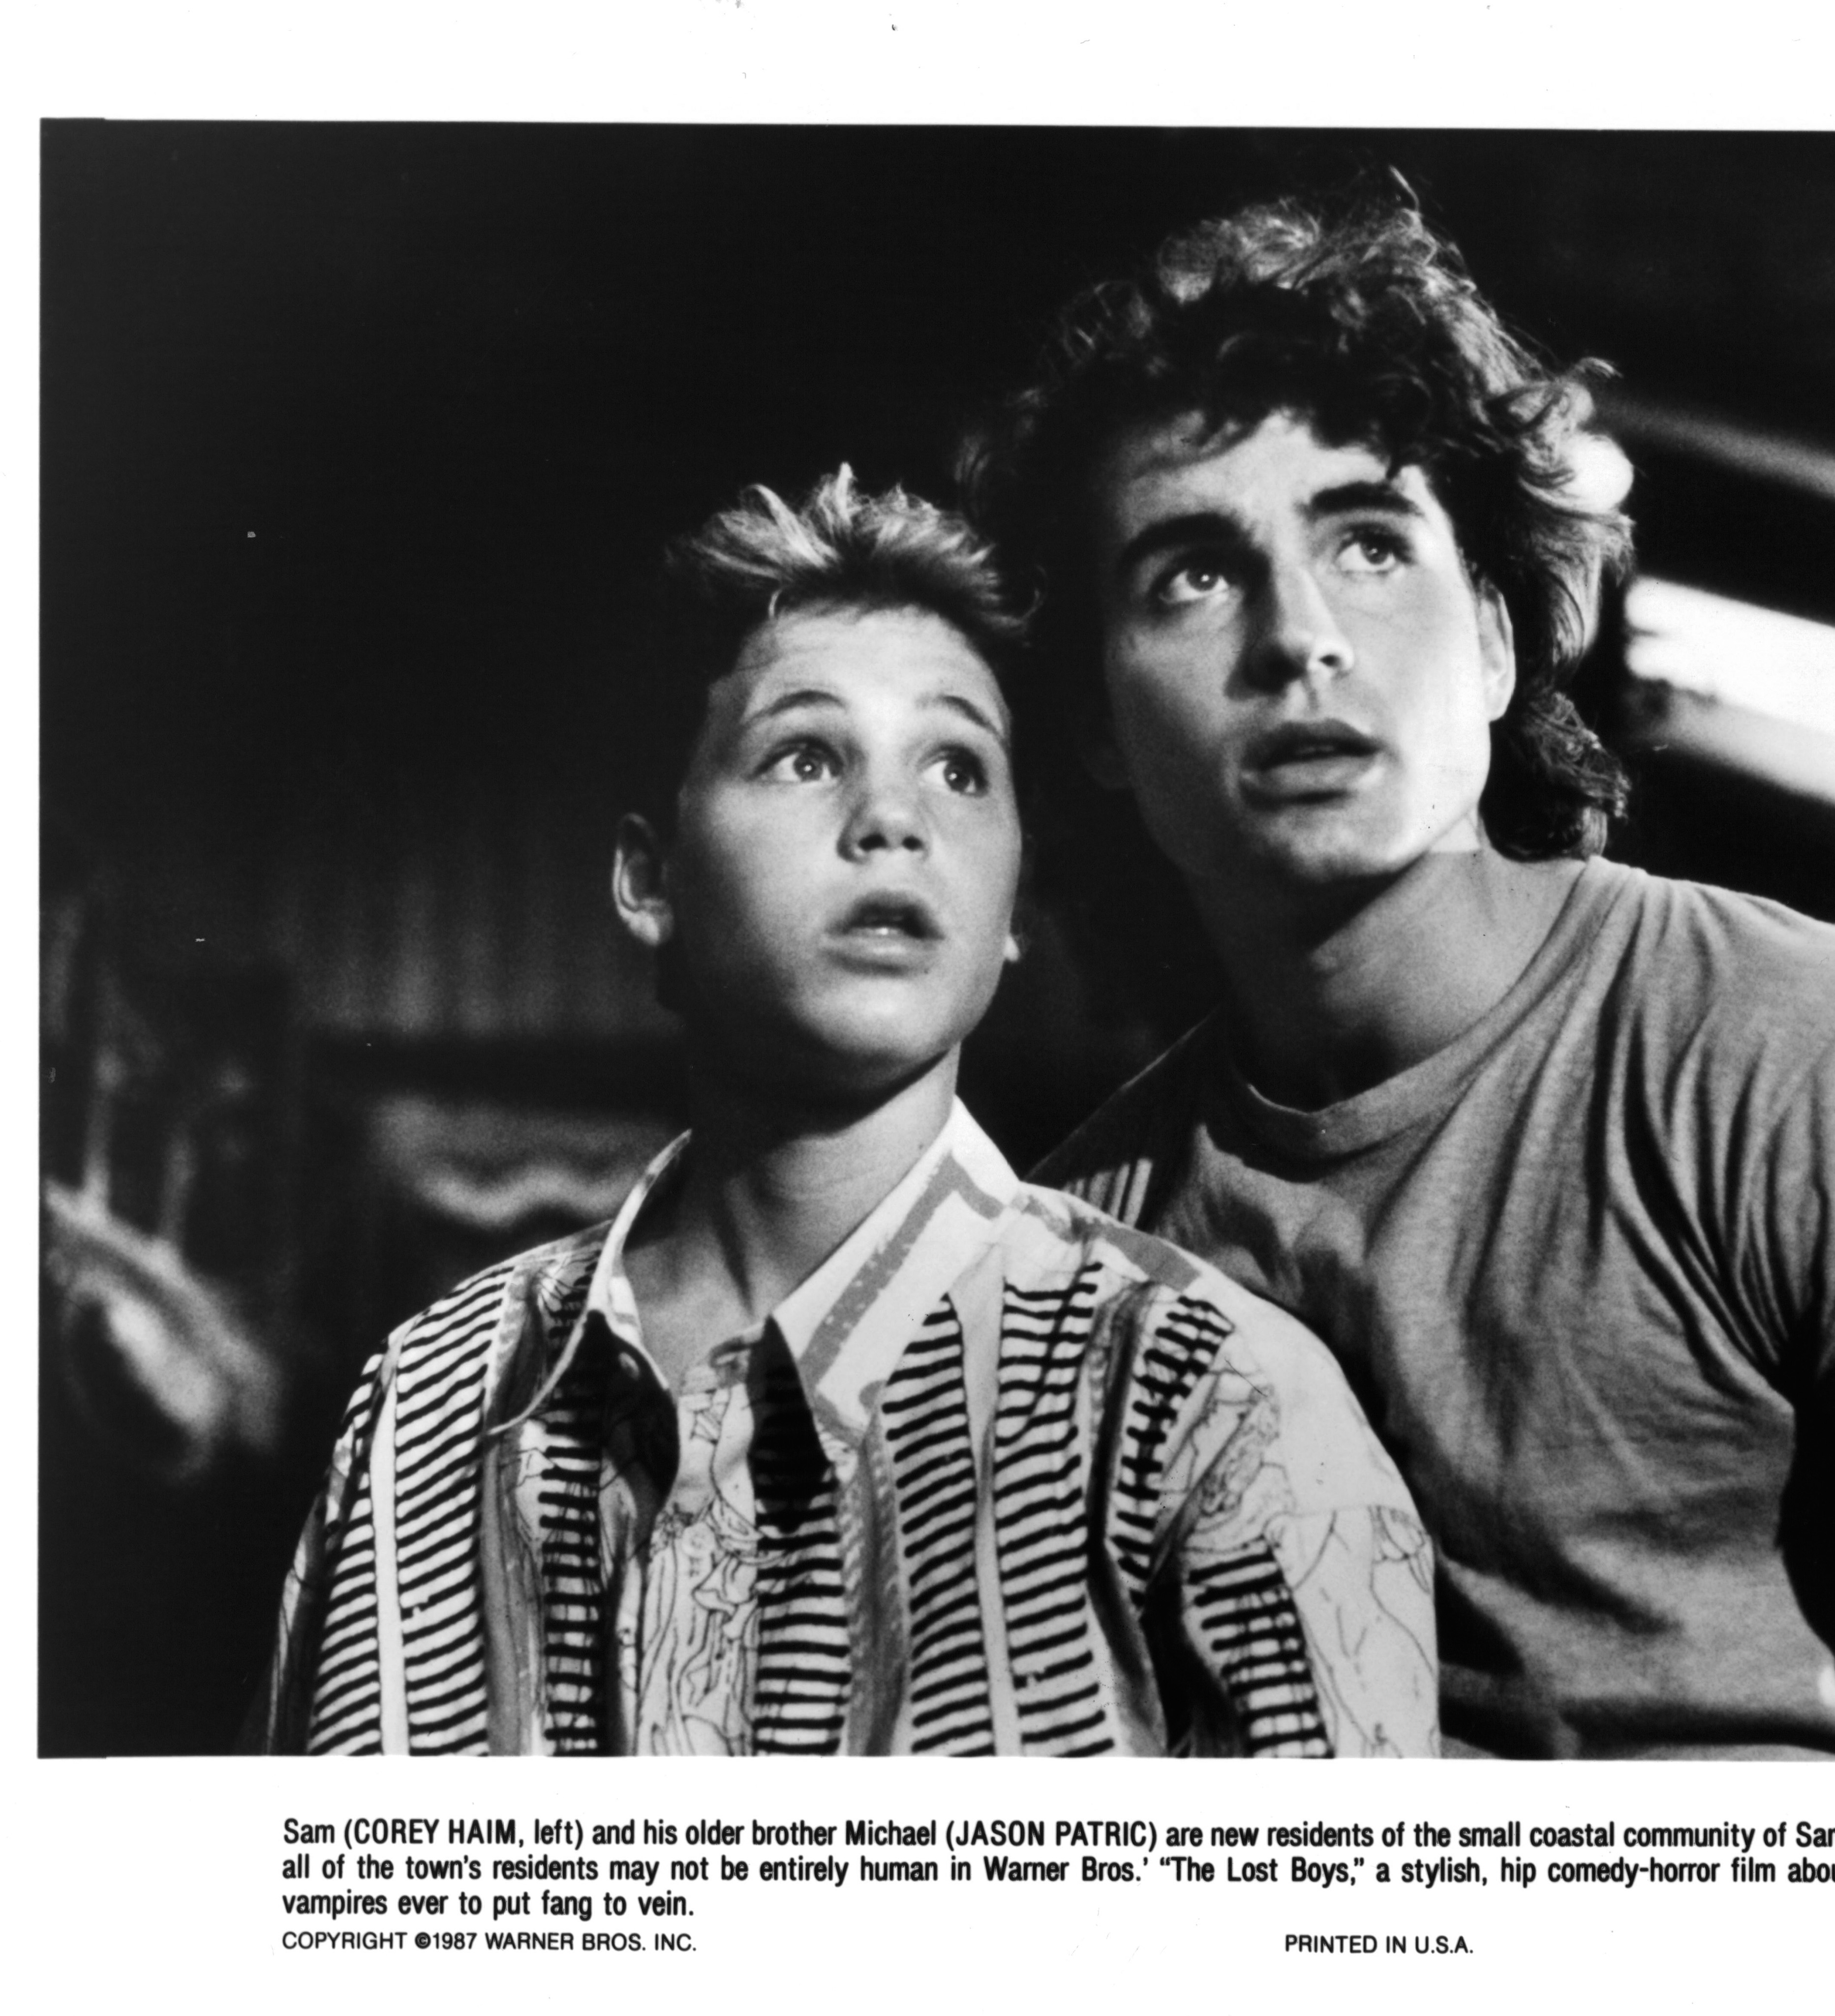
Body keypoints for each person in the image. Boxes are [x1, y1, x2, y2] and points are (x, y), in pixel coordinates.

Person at [968, 194, 1835, 1761]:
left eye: (1369, 543)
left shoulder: (1824, 1056)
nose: (1299, 637)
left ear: (1497, 644)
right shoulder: (1068, 1263)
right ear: (1095, 722)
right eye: (1190, 577)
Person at [250, 470, 1437, 1756]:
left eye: (959, 769)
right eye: (806, 754)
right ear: (650, 879)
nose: (892, 821)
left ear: (1013, 898)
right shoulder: (426, 1403)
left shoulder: (1209, 1406)